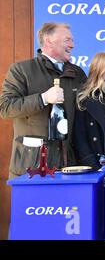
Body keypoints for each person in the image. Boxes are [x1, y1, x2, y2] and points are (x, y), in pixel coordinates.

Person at [0, 22, 87, 178]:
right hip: (32, 167)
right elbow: (6, 109)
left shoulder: (77, 73)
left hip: (70, 166)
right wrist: (43, 98)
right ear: (48, 40)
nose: (72, 45)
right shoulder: (21, 70)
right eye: (67, 40)